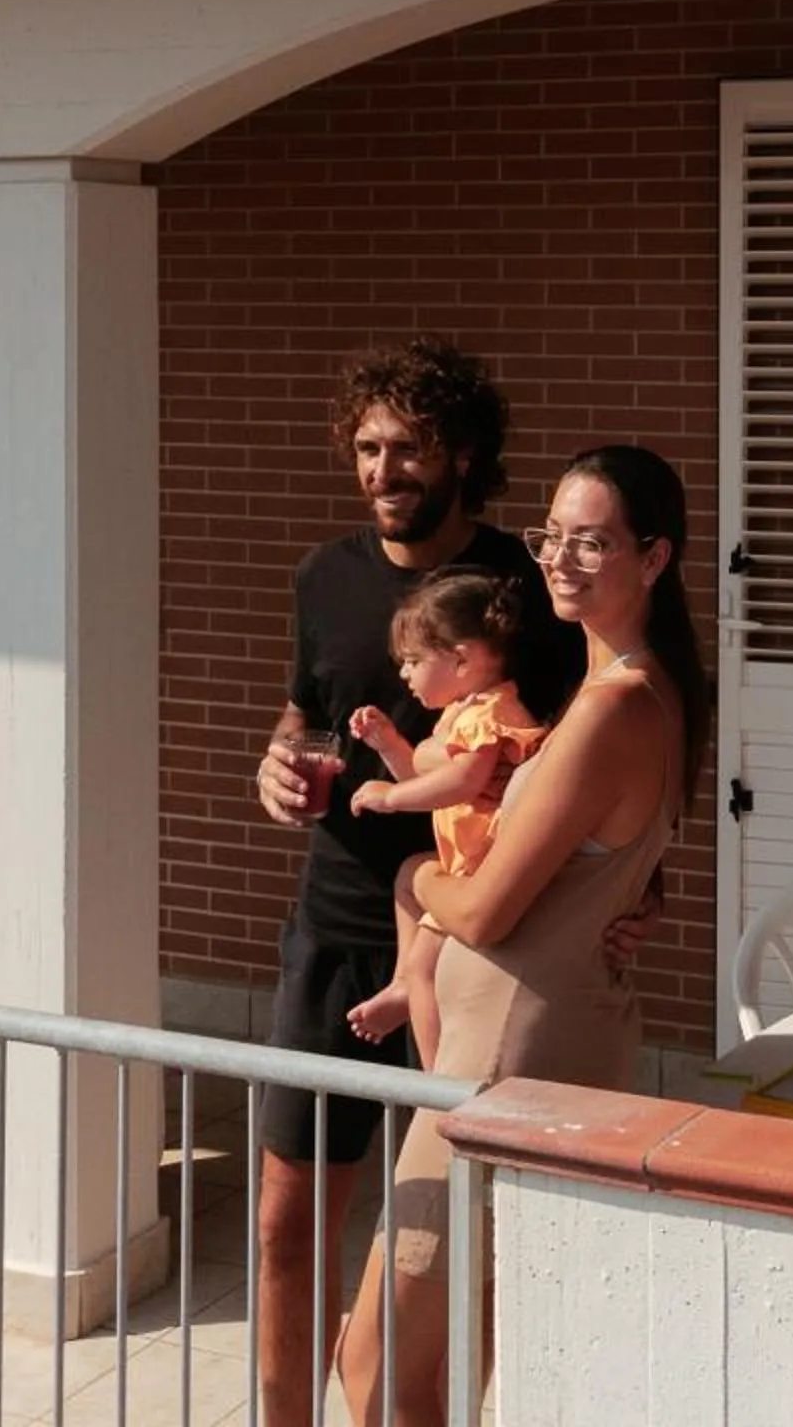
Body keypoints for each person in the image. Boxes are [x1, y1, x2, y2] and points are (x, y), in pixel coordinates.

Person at [336, 445, 703, 1427]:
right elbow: (613, 857)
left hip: (504, 1066)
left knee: (383, 1365)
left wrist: (414, 875)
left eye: (594, 541)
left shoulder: (614, 706)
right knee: (456, 1358)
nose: (561, 558)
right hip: (522, 1049)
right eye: (553, 535)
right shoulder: (642, 691)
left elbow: (487, 907)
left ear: (653, 557)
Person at [247, 341, 554, 1427]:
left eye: (409, 448)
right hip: (335, 928)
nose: (384, 469)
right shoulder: (323, 575)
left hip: (475, 939)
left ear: (463, 455)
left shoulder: (523, 588)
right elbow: (304, 715)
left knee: (455, 1237)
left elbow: (575, 754)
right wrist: (277, 765)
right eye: (369, 447)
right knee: (286, 1217)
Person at [342, 570, 547, 1071]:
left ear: (461, 659)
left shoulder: (491, 713)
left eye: (413, 661)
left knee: (427, 966)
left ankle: (437, 1078)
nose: (404, 675)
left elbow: (463, 783)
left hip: (484, 870)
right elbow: (426, 778)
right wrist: (389, 744)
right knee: (408, 878)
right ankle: (401, 986)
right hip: (464, 864)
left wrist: (391, 799)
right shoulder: (462, 712)